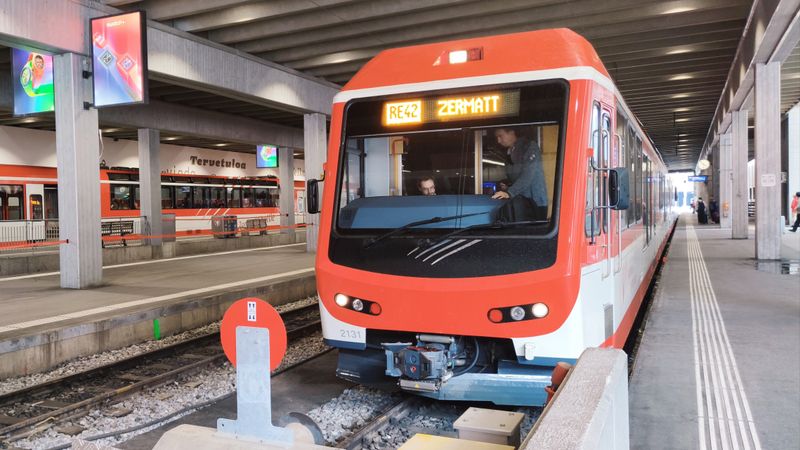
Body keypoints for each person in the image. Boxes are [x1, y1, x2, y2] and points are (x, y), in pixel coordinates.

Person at [491, 128, 548, 219]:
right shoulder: (509, 152)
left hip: (535, 202)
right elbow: (515, 176)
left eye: (500, 136)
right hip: (519, 201)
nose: (498, 141)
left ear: (511, 132)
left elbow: (528, 175)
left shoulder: (529, 147)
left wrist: (509, 192)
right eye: (497, 137)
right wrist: (508, 185)